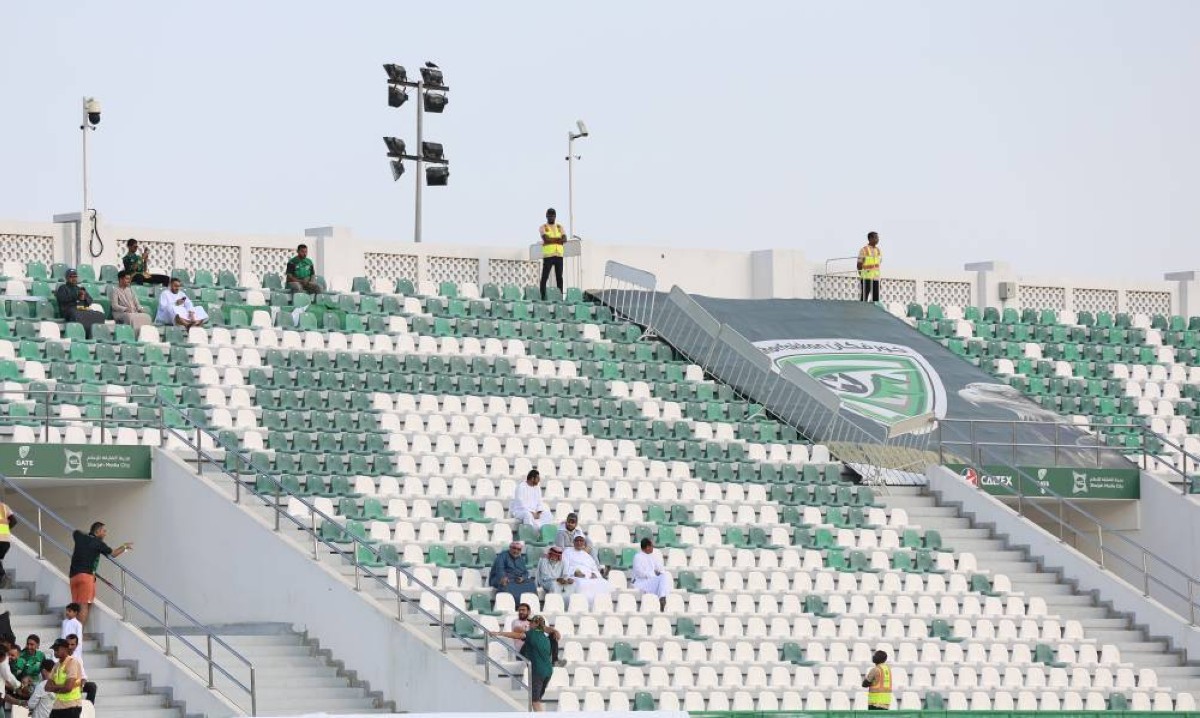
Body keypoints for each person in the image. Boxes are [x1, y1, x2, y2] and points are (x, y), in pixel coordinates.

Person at [68, 523, 132, 625]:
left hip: (73, 577)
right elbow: (113, 554)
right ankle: (79, 636)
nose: (105, 533)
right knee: (84, 606)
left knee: (76, 606)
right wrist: (124, 547)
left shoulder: (80, 537)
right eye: (103, 531)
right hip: (86, 577)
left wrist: (88, 535)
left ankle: (72, 634)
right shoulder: (98, 543)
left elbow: (76, 531)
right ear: (97, 531)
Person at [493, 615, 554, 711]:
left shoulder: (532, 634)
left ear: (537, 624)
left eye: (532, 622)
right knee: (537, 699)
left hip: (538, 671)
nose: (529, 623)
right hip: (548, 671)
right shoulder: (546, 639)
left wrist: (499, 633)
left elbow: (516, 635)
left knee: (535, 701)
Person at [491, 602, 564, 666]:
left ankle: (555, 661)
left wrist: (555, 631)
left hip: (535, 649)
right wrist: (536, 629)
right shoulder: (515, 622)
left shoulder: (532, 622)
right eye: (519, 610)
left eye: (523, 610)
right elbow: (518, 630)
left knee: (552, 635)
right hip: (522, 652)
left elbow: (545, 628)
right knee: (532, 638)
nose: (521, 612)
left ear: (529, 612)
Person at [561, 534, 612, 606]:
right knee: (581, 584)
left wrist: (595, 574)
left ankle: (600, 606)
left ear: (584, 543)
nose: (579, 543)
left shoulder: (587, 555)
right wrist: (574, 572)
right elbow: (564, 567)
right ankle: (582, 606)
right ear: (573, 542)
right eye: (577, 540)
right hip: (575, 576)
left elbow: (594, 568)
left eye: (581, 541)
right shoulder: (567, 552)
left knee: (604, 583)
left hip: (589, 576)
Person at [54, 269, 105, 339]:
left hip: (81, 309)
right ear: (67, 278)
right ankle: (81, 335)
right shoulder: (63, 288)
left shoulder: (79, 288)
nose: (74, 279)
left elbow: (90, 300)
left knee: (99, 314)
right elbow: (62, 299)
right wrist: (76, 297)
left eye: (75, 277)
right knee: (77, 315)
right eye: (71, 277)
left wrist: (84, 298)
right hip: (68, 310)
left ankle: (94, 336)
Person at [45, 638, 83, 718]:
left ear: (65, 649)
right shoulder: (56, 665)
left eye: (56, 649)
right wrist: (62, 686)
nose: (54, 651)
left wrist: (54, 687)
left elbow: (68, 688)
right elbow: (47, 687)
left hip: (72, 706)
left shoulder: (72, 662)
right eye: (54, 649)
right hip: (58, 706)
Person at [631, 537, 672, 610]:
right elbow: (639, 573)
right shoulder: (637, 557)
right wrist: (652, 574)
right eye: (651, 546)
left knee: (663, 576)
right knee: (661, 579)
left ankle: (662, 598)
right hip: (640, 583)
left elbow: (660, 568)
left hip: (650, 582)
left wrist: (658, 572)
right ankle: (662, 598)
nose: (653, 547)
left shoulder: (652, 556)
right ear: (647, 547)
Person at [538, 208, 566, 301]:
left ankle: (560, 297)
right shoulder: (543, 227)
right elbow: (546, 239)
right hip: (548, 256)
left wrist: (552, 239)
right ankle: (542, 296)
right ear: (546, 216)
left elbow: (564, 239)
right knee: (544, 277)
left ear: (555, 216)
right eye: (549, 216)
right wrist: (558, 240)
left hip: (559, 256)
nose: (551, 218)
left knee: (559, 278)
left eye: (553, 216)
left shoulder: (559, 227)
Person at [63, 636, 95, 705]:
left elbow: (83, 676)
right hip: (63, 684)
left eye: (72, 644)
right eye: (68, 644)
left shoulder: (78, 657)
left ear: (76, 645)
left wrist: (81, 685)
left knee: (92, 686)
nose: (70, 647)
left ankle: (89, 707)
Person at [857, 231, 882, 302]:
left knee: (876, 299)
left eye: (878, 238)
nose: (878, 239)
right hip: (866, 278)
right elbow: (859, 264)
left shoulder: (878, 250)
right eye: (876, 237)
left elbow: (878, 263)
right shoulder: (864, 250)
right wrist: (861, 274)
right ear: (870, 238)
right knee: (864, 297)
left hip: (875, 278)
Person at [0, 497, 13, 587]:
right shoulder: (4, 507)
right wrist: (6, 530)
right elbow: (14, 521)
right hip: (6, 541)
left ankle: (2, 574)